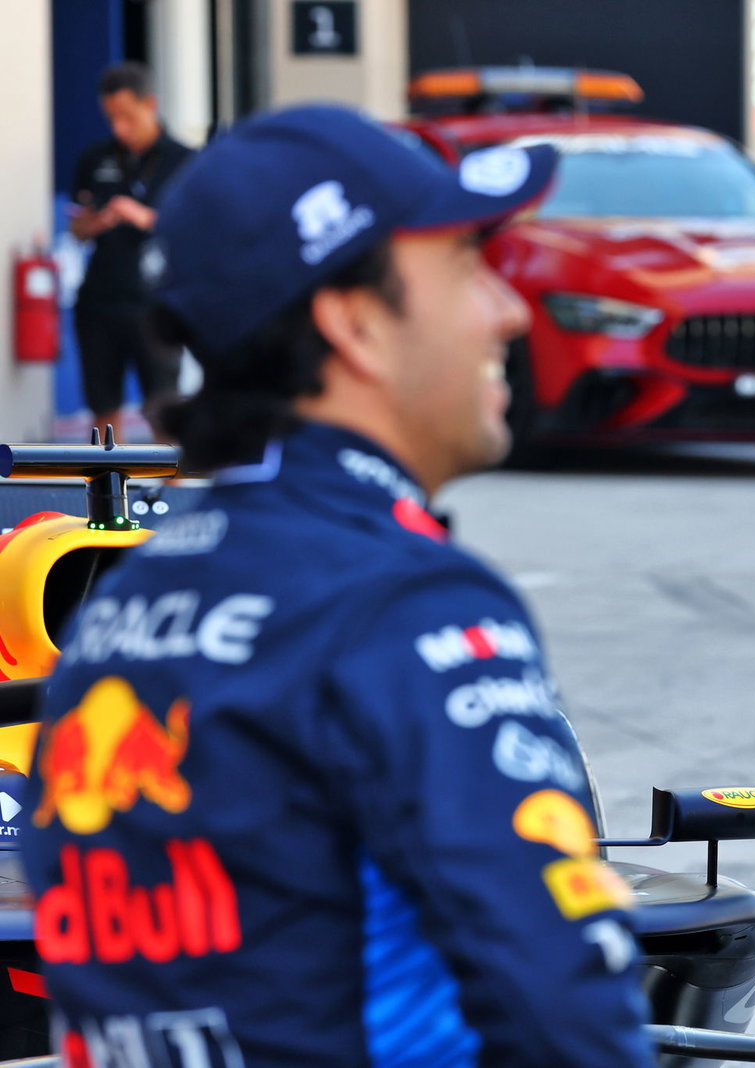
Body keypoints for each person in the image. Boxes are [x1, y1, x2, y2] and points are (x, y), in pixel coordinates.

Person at [22, 104, 656, 1068]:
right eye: (463, 267)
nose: (509, 309)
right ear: (355, 322)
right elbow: (564, 1014)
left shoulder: (119, 610)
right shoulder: (406, 607)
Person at [67, 62, 194, 437]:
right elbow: (76, 227)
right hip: (101, 298)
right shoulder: (94, 158)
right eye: (111, 118)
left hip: (157, 301)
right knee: (103, 406)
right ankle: (106, 491)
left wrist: (144, 217)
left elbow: (198, 230)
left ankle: (172, 493)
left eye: (127, 116)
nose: (119, 127)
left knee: (163, 405)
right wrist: (94, 224)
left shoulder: (185, 160)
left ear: (149, 104)